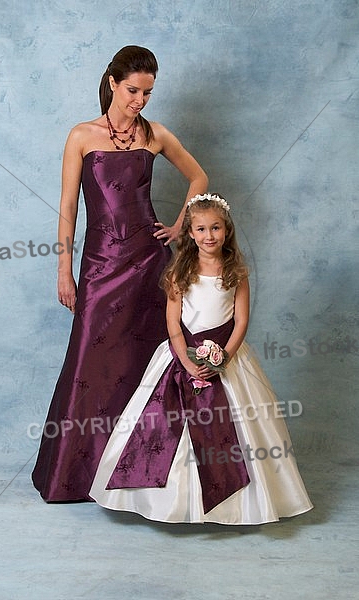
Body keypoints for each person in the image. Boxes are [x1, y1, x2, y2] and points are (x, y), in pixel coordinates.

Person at [32, 45, 208, 502]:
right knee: (90, 365)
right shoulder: (81, 136)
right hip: (100, 264)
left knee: (147, 365)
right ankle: (75, 476)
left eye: (148, 92)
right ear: (112, 83)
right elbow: (69, 208)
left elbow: (198, 178)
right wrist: (64, 270)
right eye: (133, 90)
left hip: (150, 264)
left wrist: (178, 226)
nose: (140, 100)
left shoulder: (155, 134)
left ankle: (142, 475)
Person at [89, 194, 313, 524]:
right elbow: (173, 325)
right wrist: (186, 360)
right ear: (190, 234)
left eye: (216, 228)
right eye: (201, 229)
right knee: (163, 426)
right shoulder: (180, 272)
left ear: (227, 230)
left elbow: (241, 322)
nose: (209, 236)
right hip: (180, 357)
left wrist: (223, 356)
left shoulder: (237, 272)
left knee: (241, 428)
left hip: (227, 358)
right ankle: (165, 502)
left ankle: (240, 502)